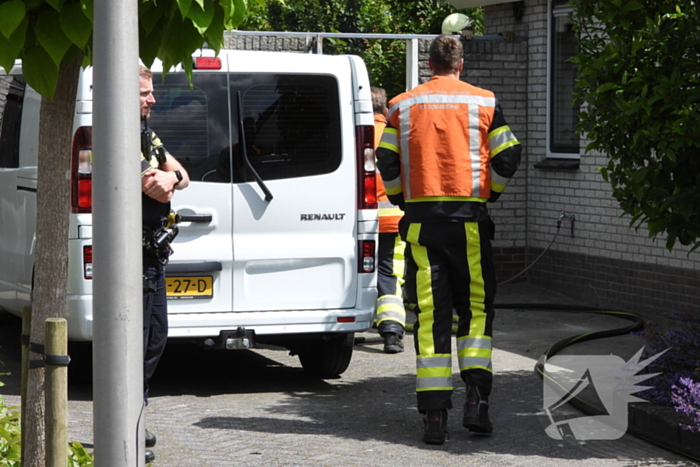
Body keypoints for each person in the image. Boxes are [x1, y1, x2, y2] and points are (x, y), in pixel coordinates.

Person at [376, 34, 521, 445]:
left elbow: (385, 158)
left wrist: (404, 198)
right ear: (462, 64)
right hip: (469, 223)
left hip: (422, 224)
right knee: (475, 310)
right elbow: (509, 155)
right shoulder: (484, 102)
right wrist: (488, 193)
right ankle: (477, 400)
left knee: (430, 315)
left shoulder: (401, 105)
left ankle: (435, 417)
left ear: (429, 64)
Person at [139, 65, 190, 462]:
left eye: (151, 92)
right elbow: (155, 187)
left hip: (153, 259)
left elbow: (180, 173)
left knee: (156, 338)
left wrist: (170, 177)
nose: (152, 99)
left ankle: (135, 416)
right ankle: (129, 423)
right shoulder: (116, 134)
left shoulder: (146, 134)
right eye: (144, 93)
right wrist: (166, 179)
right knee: (136, 340)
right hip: (131, 259)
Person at [371, 86, 406, 354]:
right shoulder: (396, 135)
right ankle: (391, 332)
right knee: (389, 273)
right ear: (385, 109)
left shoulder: (350, 134)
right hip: (393, 218)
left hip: (355, 222)